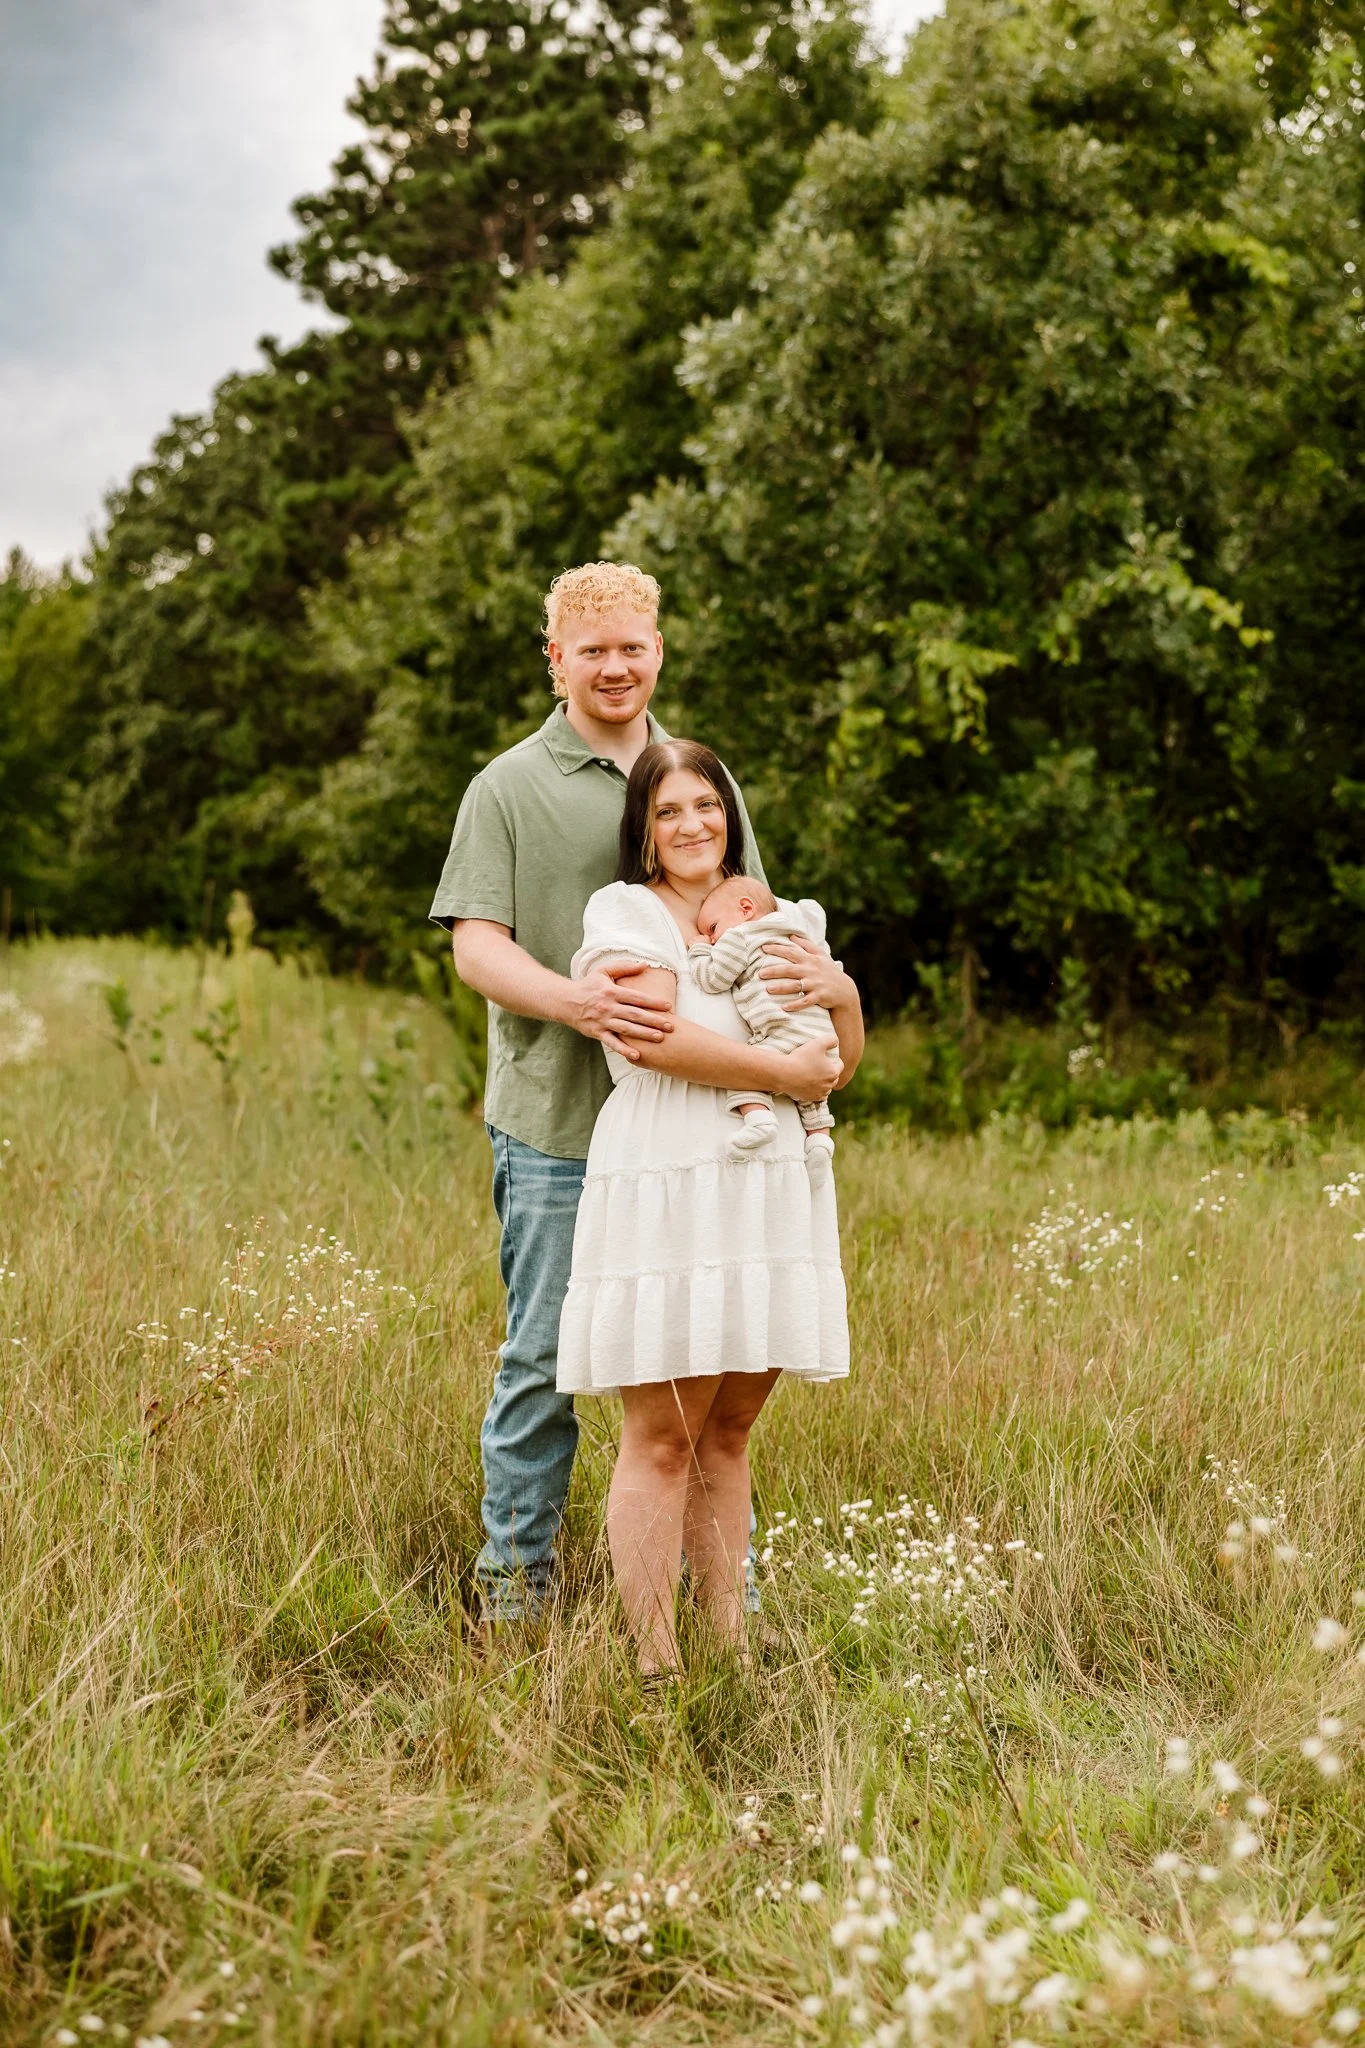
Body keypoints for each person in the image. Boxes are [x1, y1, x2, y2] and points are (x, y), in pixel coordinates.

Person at [430, 560, 852, 1628]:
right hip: (560, 1124)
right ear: (556, 658)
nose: (615, 666)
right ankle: (514, 1595)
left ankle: (722, 1601)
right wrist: (579, 1006)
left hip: (702, 1133)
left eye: (633, 646)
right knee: (544, 1359)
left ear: (657, 650)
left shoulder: (694, 776)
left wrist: (823, 996)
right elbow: (477, 947)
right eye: (592, 649)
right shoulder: (509, 786)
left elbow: (743, 920)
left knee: (705, 1362)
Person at [557, 740, 864, 1674]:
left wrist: (844, 997)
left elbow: (835, 1061)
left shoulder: (767, 911)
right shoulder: (625, 912)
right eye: (667, 811)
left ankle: (728, 1647)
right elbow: (652, 1039)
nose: (692, 825)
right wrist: (778, 1072)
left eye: (707, 804)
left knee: (727, 1431)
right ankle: (656, 1665)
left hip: (769, 1180)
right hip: (670, 1171)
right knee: (662, 1436)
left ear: (729, 812)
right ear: (642, 831)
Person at [688, 874, 838, 1186]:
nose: (712, 937)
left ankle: (759, 1118)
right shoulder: (795, 934)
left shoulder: (741, 937)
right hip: (821, 1036)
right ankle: (820, 1141)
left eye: (712, 928)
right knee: (813, 1096)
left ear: (745, 909)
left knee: (744, 1069)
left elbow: (713, 979)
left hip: (780, 1034)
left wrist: (699, 950)